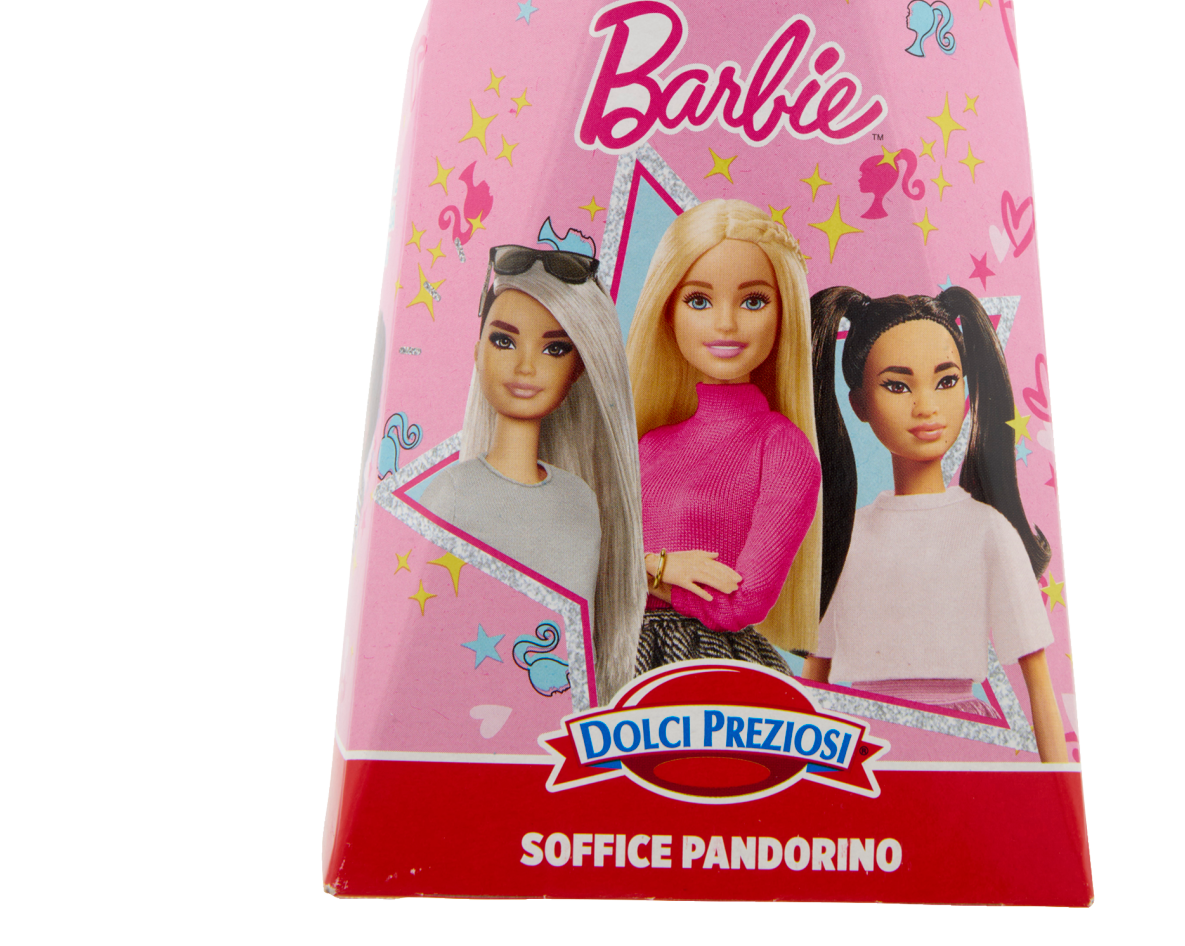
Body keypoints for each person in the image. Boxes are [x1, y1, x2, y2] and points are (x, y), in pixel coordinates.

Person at [800, 286, 1069, 763]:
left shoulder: (988, 532)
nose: (926, 407)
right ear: (859, 404)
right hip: (858, 749)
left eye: (946, 381)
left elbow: (1039, 687)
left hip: (959, 748)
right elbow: (812, 688)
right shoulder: (846, 538)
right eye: (897, 386)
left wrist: (1060, 794)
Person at [418, 245, 646, 702]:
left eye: (554, 348)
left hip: (563, 720)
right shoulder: (451, 496)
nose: (526, 367)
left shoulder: (581, 500)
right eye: (504, 341)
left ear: (579, 368)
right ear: (477, 351)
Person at [625, 200, 825, 673]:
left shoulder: (782, 449)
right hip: (623, 651)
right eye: (699, 300)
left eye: (753, 301)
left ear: (784, 314)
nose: (725, 324)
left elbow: (744, 598)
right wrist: (660, 568)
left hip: (714, 660)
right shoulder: (647, 446)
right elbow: (595, 568)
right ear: (667, 312)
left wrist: (647, 571)